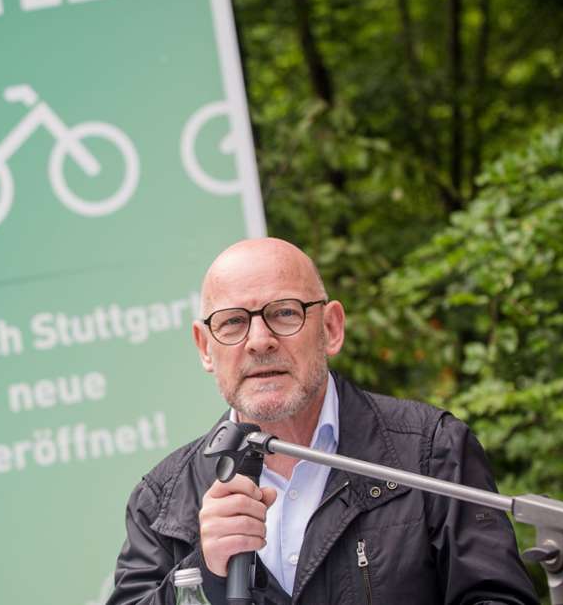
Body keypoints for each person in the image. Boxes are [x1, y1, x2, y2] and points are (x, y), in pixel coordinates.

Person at [108, 238, 538, 605]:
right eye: (233, 322)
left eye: (284, 313)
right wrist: (204, 572)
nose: (259, 341)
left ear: (331, 328)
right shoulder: (161, 500)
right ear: (205, 347)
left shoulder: (430, 449)